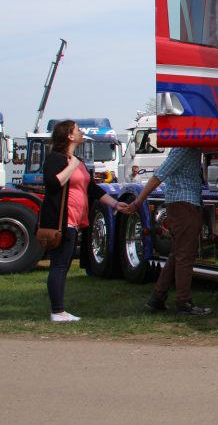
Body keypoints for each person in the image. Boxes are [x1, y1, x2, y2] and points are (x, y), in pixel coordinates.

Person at [39, 120, 126, 322]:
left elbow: (91, 189)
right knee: (59, 265)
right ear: (69, 136)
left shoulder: (76, 160)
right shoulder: (56, 158)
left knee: (64, 264)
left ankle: (59, 310)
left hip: (75, 220)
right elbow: (53, 184)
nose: (80, 132)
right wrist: (72, 166)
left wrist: (115, 205)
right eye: (77, 130)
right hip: (62, 221)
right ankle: (57, 311)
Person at [123, 146, 211, 316]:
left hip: (181, 203)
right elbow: (159, 175)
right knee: (185, 255)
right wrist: (138, 202)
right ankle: (183, 302)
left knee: (177, 253)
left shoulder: (185, 149)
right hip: (184, 204)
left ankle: (158, 297)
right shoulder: (184, 150)